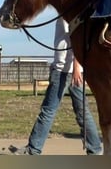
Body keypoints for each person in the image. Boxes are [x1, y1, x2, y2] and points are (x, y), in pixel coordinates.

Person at [9, 18, 102, 155]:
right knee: (82, 112)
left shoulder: (71, 14)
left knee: (48, 111)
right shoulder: (66, 13)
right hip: (67, 70)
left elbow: (79, 38)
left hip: (65, 71)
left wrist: (76, 67)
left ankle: (33, 149)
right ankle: (95, 149)